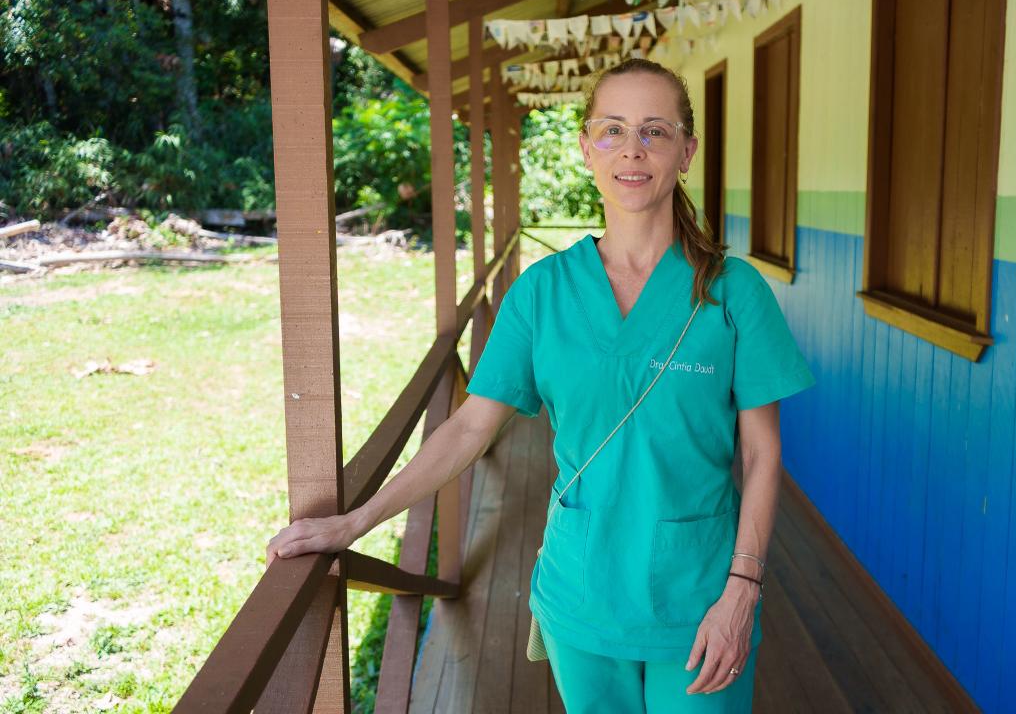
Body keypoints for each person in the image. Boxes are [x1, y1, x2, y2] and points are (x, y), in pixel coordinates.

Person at [265, 58, 815, 713]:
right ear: (585, 148)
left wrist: (743, 588)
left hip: (699, 596)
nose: (632, 150)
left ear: (686, 151)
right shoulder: (542, 293)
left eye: (655, 131)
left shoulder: (733, 292)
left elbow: (761, 453)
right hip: (578, 592)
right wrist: (356, 521)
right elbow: (469, 429)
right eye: (612, 130)